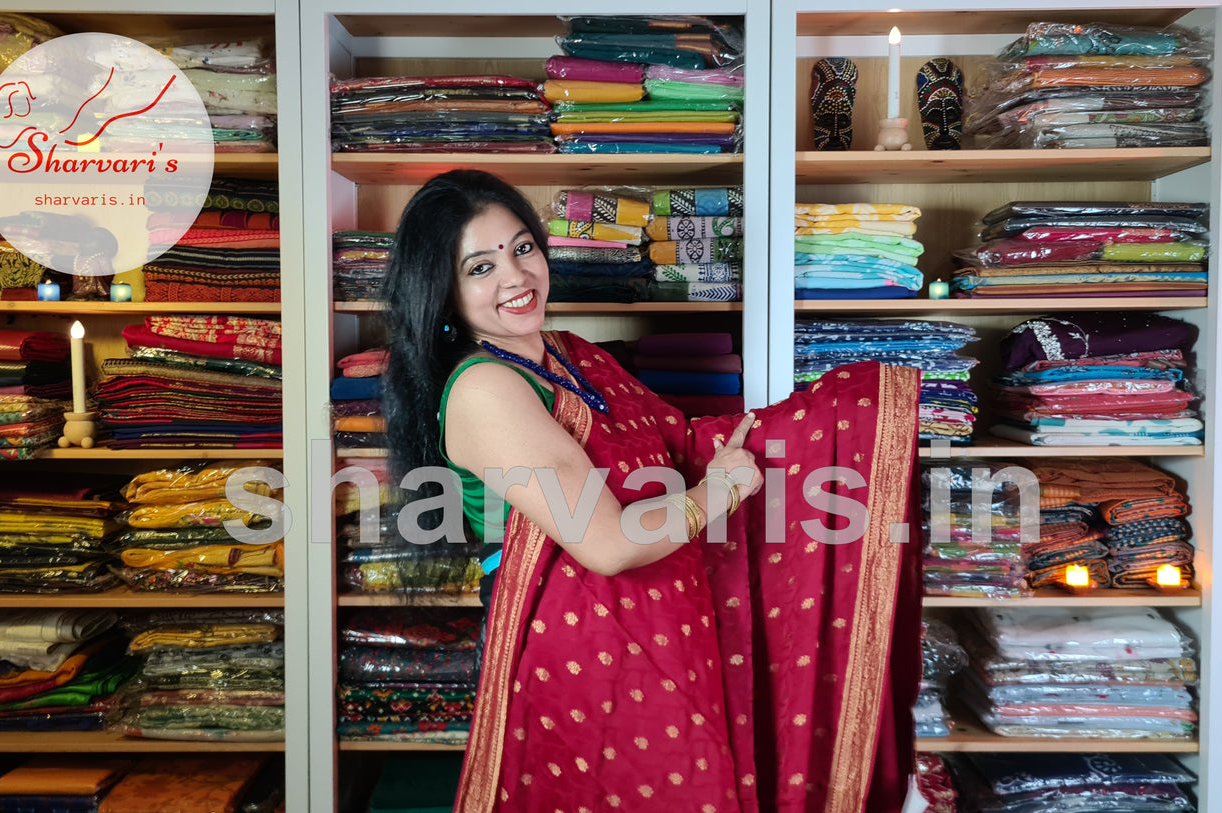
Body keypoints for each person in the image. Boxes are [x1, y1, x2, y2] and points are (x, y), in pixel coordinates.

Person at [383, 169, 924, 812]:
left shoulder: (568, 353)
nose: (515, 277)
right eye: (479, 267)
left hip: (661, 614)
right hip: (578, 643)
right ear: (440, 290)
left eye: (522, 248)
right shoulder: (485, 389)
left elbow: (679, 445)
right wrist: (716, 494)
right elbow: (607, 543)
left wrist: (832, 421)